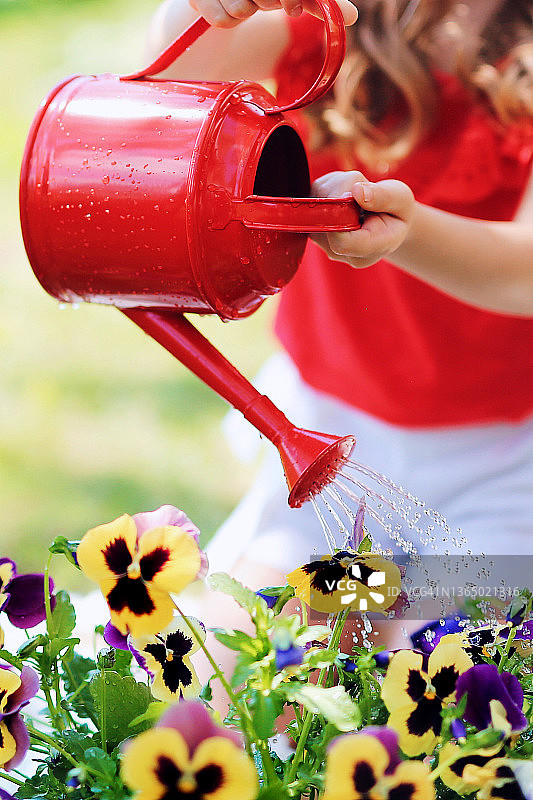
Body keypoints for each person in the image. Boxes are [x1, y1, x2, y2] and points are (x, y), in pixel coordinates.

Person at [145, 0, 533, 612]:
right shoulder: (334, 18)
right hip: (334, 455)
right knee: (249, 672)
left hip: (501, 471)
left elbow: (525, 272)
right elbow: (176, 69)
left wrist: (405, 232)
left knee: (439, 682)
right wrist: (205, 8)